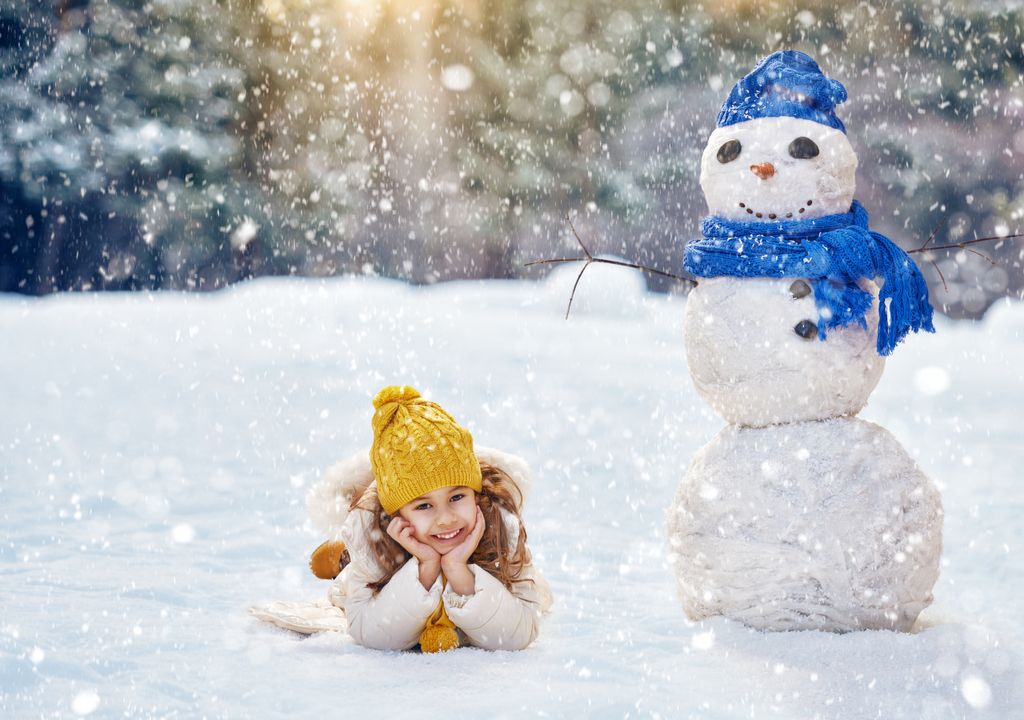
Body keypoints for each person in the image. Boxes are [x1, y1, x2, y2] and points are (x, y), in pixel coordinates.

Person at [252, 385, 552, 652]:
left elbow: (519, 633)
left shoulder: (499, 524)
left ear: (476, 495)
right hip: (389, 548)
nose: (446, 519)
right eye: (423, 506)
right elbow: (371, 633)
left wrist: (459, 571)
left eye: (457, 497)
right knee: (346, 583)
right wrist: (425, 567)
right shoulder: (373, 534)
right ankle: (344, 555)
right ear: (396, 514)